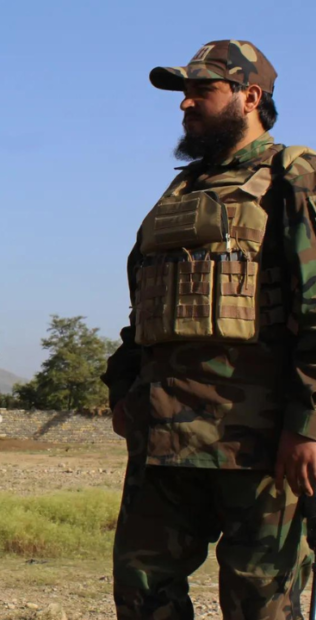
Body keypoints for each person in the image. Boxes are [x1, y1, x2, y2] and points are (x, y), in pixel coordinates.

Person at [103, 39, 316, 619]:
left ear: (251, 97)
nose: (185, 104)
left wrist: (306, 426)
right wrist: (122, 392)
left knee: (261, 604)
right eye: (184, 92)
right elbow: (143, 311)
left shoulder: (294, 177)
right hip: (163, 444)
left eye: (203, 90)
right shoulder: (180, 191)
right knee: (142, 596)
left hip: (258, 446)